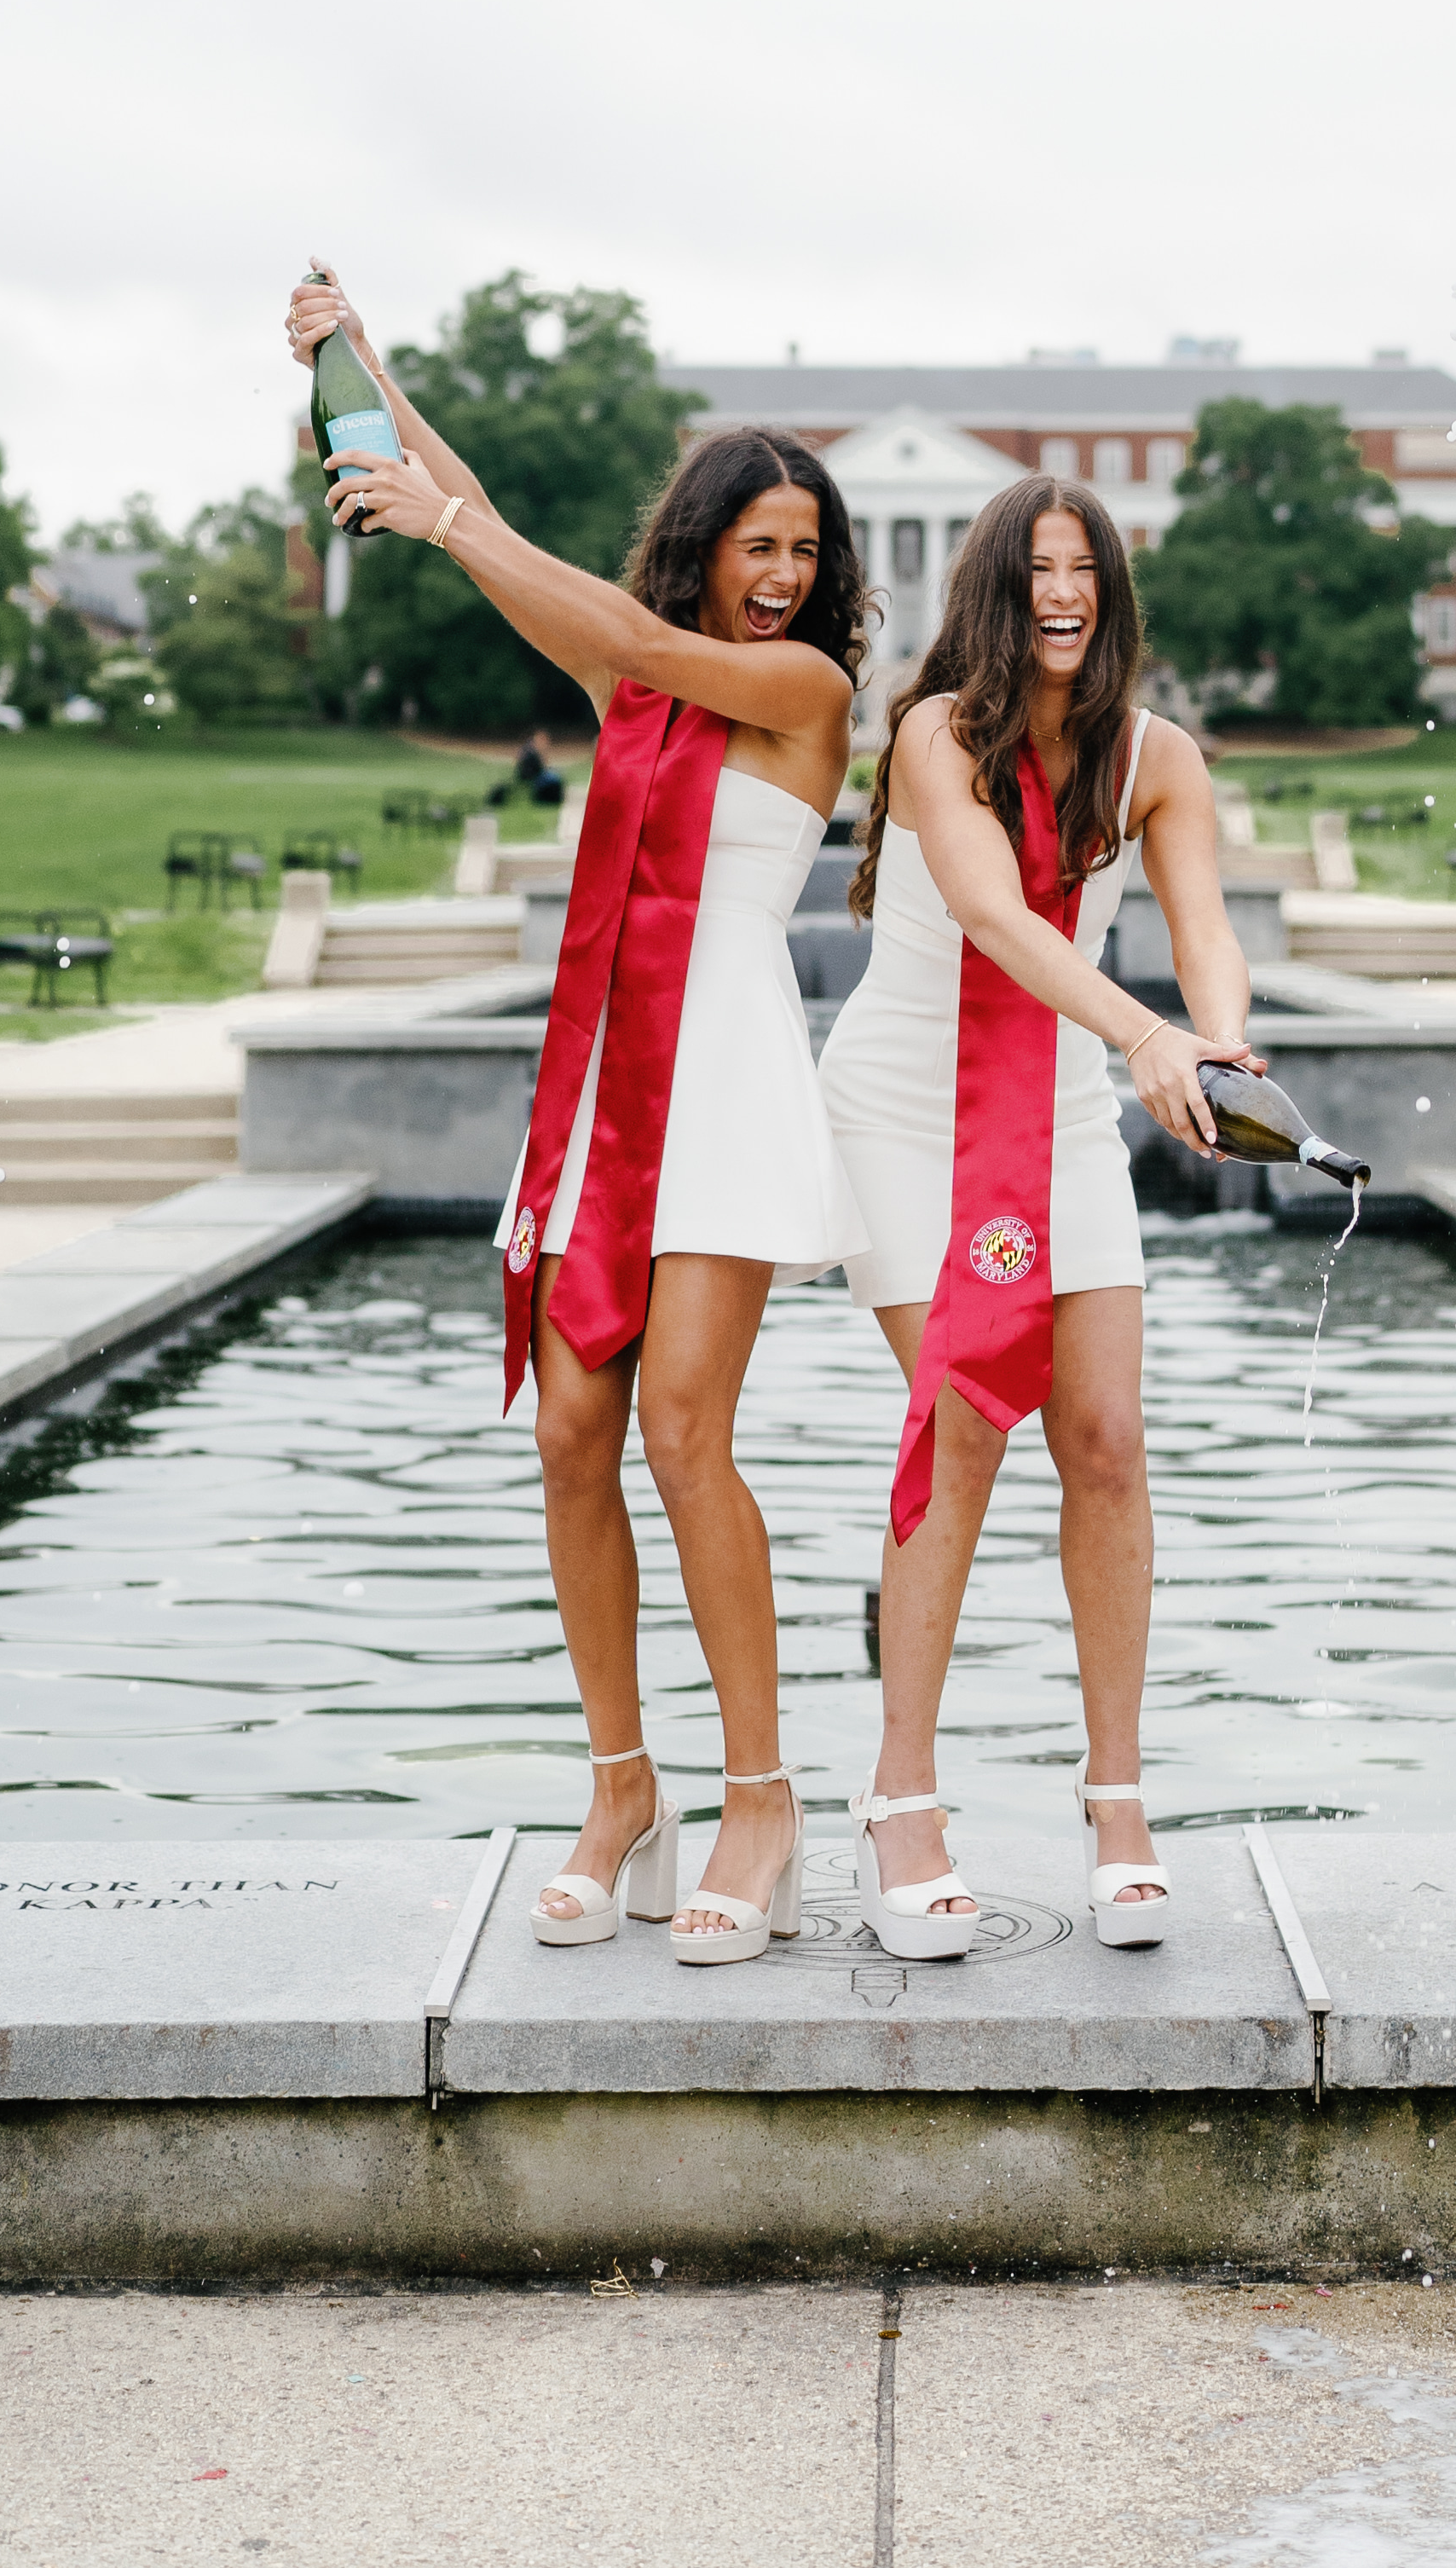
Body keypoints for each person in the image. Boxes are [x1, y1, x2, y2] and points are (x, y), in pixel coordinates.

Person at [290, 268, 863, 1967]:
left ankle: (760, 1800)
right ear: (699, 545)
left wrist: (437, 525)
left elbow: (597, 622)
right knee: (565, 1437)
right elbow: (516, 543)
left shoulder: (803, 696)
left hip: (728, 1091)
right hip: (603, 1084)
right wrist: (360, 366)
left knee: (685, 1431)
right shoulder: (640, 692)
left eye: (803, 552)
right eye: (755, 546)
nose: (782, 578)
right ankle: (624, 1790)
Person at [819, 479, 1253, 1961]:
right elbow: (1002, 920)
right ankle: (901, 1798)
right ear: (993, 592)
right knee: (961, 1420)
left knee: (1109, 1443)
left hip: (1058, 1116)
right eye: (1037, 569)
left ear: (1111, 593)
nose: (1063, 592)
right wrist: (1148, 1042)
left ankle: (1118, 1797)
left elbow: (1202, 933)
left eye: (1087, 570)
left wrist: (1224, 1044)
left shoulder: (1157, 758)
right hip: (905, 1111)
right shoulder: (935, 733)